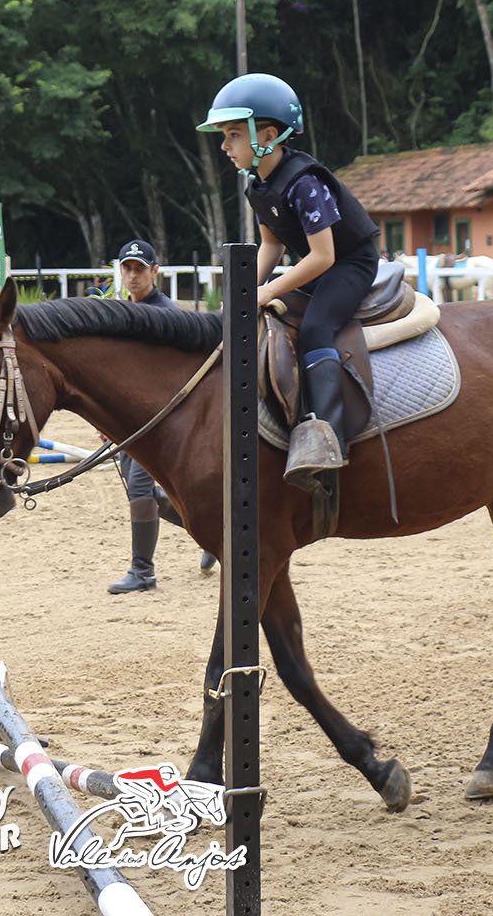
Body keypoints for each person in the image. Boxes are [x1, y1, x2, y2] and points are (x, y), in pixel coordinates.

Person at [197, 73, 380, 495]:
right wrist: (241, 296)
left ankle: (326, 437)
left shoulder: (305, 182)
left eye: (231, 135)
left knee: (316, 329)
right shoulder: (258, 185)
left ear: (268, 134)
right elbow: (271, 247)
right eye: (224, 136)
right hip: (319, 265)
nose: (224, 146)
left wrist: (268, 291)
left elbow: (324, 256)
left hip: (350, 264)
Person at [105, 239, 216, 593]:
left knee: (140, 487)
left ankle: (143, 571)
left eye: (140, 268)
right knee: (149, 494)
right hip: (132, 422)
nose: (133, 275)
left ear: (155, 272)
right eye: (127, 268)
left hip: (162, 420)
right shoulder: (123, 313)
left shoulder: (166, 314)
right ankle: (216, 535)